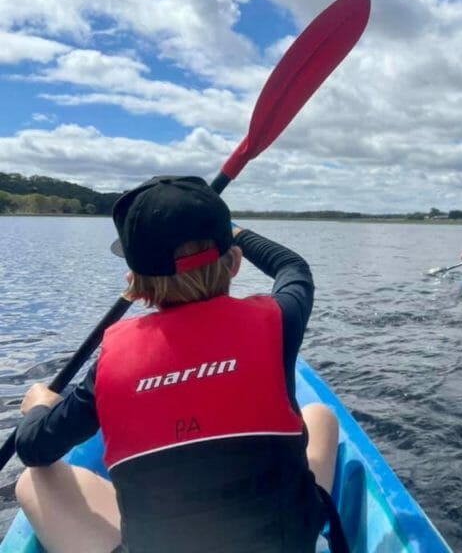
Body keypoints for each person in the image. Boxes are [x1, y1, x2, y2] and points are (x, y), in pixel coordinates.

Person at [14, 176, 346, 553]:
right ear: (234, 262)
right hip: (288, 544)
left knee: (31, 480)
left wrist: (39, 405)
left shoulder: (112, 364)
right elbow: (293, 267)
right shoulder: (280, 322)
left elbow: (34, 449)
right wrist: (233, 230)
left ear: (134, 283)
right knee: (320, 416)